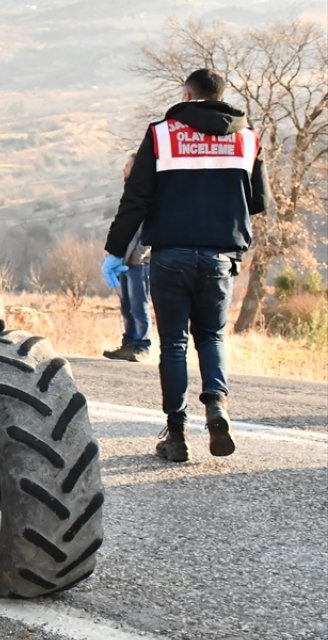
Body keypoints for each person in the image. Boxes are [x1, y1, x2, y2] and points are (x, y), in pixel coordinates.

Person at [102, 68, 271, 463]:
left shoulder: (162, 134)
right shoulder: (247, 138)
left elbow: (137, 197)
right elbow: (259, 200)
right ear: (220, 95)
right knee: (211, 337)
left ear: (187, 94)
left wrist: (114, 249)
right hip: (219, 256)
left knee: (174, 343)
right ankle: (216, 407)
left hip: (171, 256)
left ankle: (176, 435)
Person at [102, 155, 152, 362]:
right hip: (124, 261)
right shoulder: (130, 194)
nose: (124, 168)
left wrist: (138, 257)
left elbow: (149, 231)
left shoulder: (148, 194)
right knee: (126, 304)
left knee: (139, 305)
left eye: (128, 165)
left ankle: (142, 346)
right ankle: (128, 343)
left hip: (139, 263)